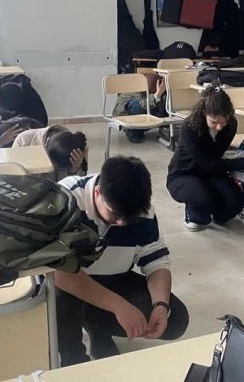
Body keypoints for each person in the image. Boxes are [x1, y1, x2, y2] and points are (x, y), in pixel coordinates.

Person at [55, 156, 189, 365]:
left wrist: (160, 305)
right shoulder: (65, 199)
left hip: (114, 278)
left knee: (176, 319)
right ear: (97, 192)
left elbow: (157, 261)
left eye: (130, 217)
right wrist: (118, 306)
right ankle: (73, 363)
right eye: (115, 213)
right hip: (71, 284)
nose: (122, 222)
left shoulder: (140, 208)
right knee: (60, 301)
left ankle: (98, 327)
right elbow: (58, 273)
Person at [166, 85, 244, 231]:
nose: (219, 127)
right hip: (185, 173)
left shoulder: (231, 124)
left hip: (213, 171)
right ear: (204, 113)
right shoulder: (189, 127)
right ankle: (193, 214)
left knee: (235, 202)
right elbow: (207, 163)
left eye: (223, 122)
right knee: (200, 200)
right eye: (214, 122)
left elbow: (216, 158)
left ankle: (213, 212)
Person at [111, 73, 168, 143]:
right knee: (139, 105)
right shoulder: (135, 90)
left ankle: (140, 129)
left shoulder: (144, 89)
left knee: (159, 101)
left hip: (136, 112)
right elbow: (144, 104)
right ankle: (132, 130)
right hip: (125, 115)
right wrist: (158, 93)